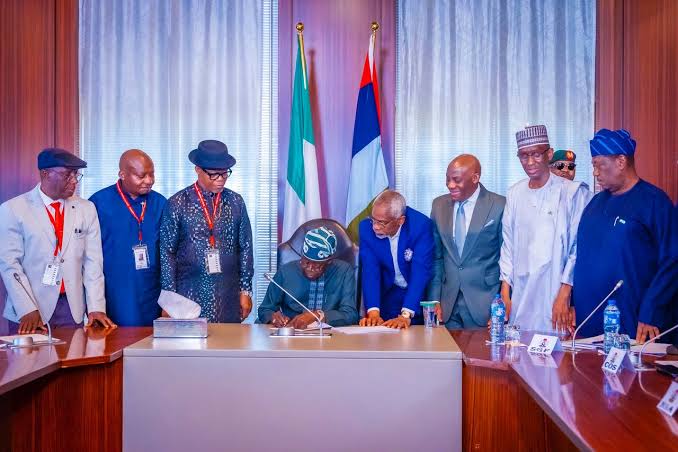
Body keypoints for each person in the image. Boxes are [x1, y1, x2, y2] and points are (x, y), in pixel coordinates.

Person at [572, 129, 677, 343]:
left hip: (633, 320)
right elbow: (582, 256)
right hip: (588, 322)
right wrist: (572, 302)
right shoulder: (595, 203)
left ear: (621, 161)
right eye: (593, 166)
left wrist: (652, 310)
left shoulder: (654, 202)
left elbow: (672, 261)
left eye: (599, 165)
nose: (595, 173)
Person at [0, 148, 115, 333]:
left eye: (76, 174)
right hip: (30, 311)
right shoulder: (13, 209)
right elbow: (10, 265)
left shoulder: (86, 209)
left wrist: (96, 307)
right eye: (67, 175)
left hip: (71, 309)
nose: (74, 180)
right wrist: (26, 308)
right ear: (45, 174)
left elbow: (93, 262)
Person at [499, 125, 591, 333]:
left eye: (536, 154)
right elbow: (508, 244)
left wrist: (564, 295)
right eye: (524, 156)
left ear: (549, 154)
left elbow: (577, 248)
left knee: (556, 348)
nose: (530, 162)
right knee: (519, 346)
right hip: (522, 291)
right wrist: (505, 292)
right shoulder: (515, 193)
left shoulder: (572, 192)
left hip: (555, 290)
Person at [160, 140, 253, 323]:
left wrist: (245, 290)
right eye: (213, 174)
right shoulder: (177, 203)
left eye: (224, 173)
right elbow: (167, 252)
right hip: (189, 293)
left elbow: (246, 247)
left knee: (227, 339)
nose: (220, 179)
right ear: (197, 169)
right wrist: (169, 300)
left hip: (227, 293)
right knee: (193, 340)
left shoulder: (236, 202)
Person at [89, 149, 167, 326]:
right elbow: (88, 256)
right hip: (115, 290)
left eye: (152, 174)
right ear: (122, 174)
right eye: (141, 176)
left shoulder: (160, 203)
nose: (149, 180)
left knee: (152, 339)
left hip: (151, 289)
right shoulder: (98, 203)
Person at [428, 154, 506, 328]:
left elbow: (507, 258)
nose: (450, 185)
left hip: (485, 302)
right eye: (447, 179)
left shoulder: (499, 204)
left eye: (456, 180)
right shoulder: (438, 205)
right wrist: (434, 299)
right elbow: (437, 258)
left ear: (475, 178)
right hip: (447, 305)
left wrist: (502, 304)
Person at [358, 190, 434, 329]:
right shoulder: (366, 228)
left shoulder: (420, 226)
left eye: (382, 223)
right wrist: (373, 313)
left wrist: (406, 315)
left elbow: (420, 272)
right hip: (388, 293)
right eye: (373, 220)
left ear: (400, 220)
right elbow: (370, 270)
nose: (375, 227)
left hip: (416, 294)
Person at [258, 227, 359, 328]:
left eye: (316, 265)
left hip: (331, 335)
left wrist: (318, 316)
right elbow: (265, 309)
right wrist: (273, 317)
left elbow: (350, 314)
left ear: (329, 261)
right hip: (291, 333)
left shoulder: (344, 271)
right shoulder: (285, 271)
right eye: (306, 262)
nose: (310, 268)